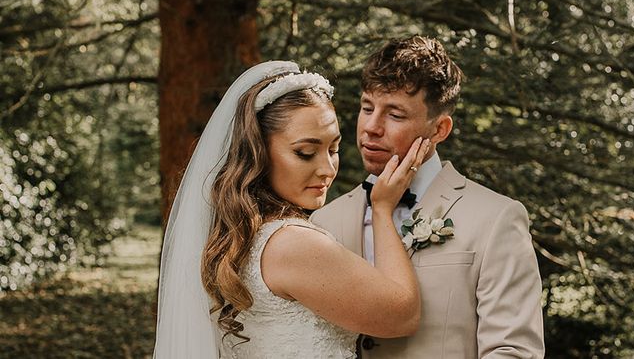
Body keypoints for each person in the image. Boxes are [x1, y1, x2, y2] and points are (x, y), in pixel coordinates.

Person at [153, 60, 431, 359]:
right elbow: (403, 315)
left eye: (334, 149)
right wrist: (382, 209)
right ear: (257, 154)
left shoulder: (235, 234)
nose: (327, 169)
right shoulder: (292, 245)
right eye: (306, 153)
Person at [311, 37, 545, 358]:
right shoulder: (322, 221)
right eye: (367, 108)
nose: (371, 128)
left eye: (395, 115)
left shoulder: (496, 219)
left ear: (439, 130)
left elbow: (514, 351)